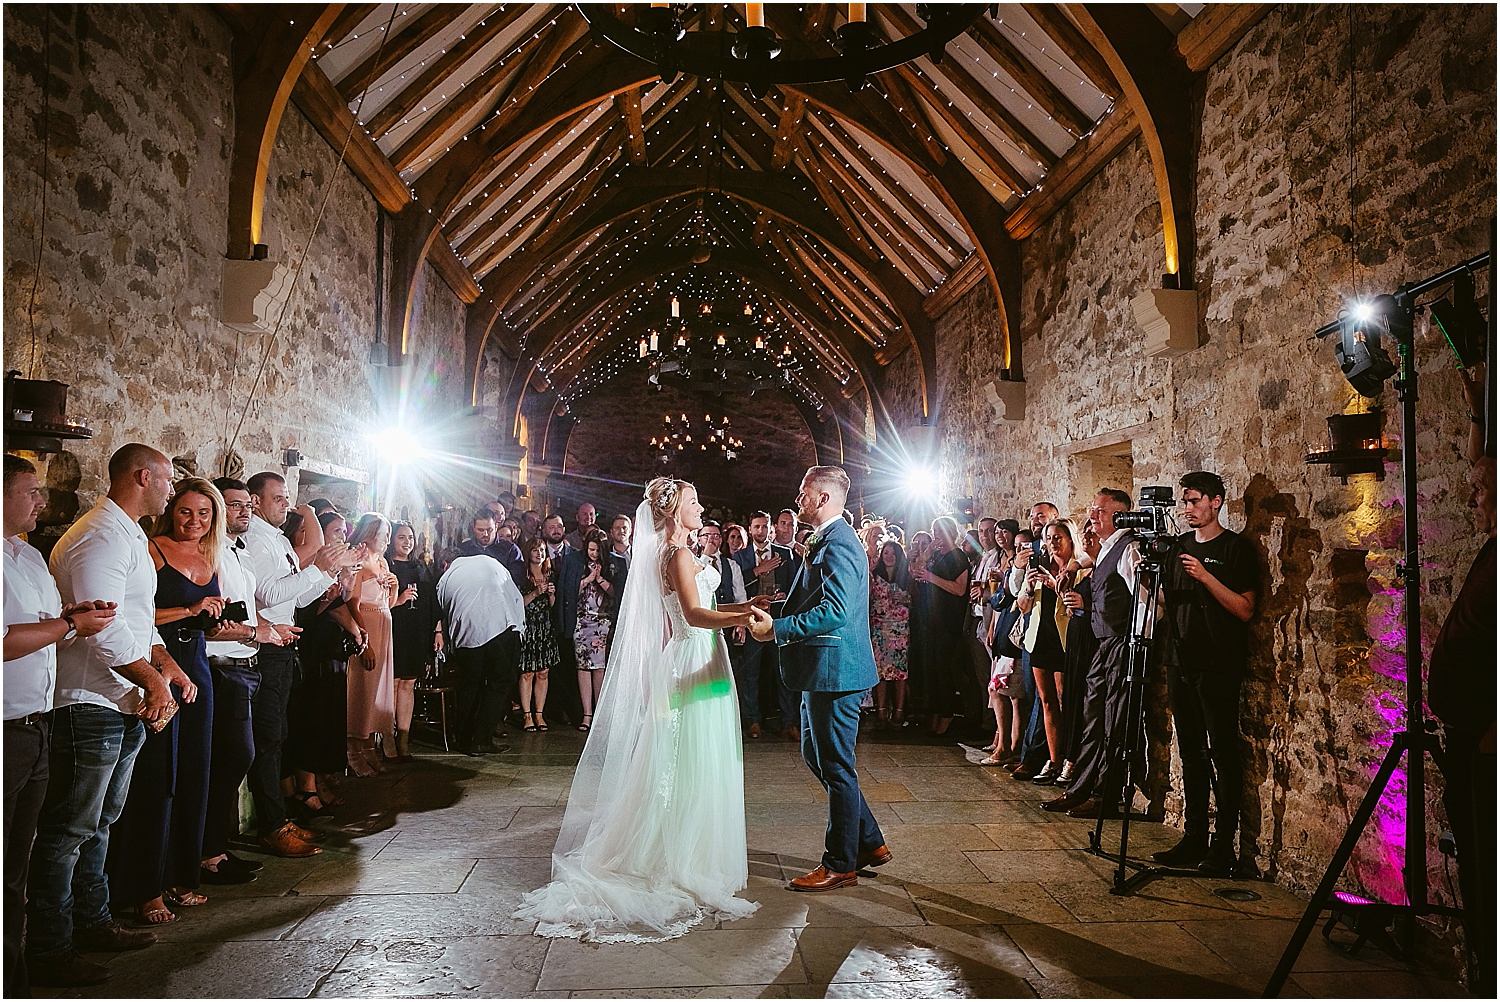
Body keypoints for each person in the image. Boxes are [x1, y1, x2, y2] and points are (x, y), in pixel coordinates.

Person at [516, 477, 769, 941]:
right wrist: (744, 616)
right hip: (692, 656)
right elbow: (691, 615)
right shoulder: (674, 555)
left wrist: (741, 603)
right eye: (694, 501)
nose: (701, 507)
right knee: (684, 756)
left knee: (701, 757)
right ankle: (675, 853)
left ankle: (694, 843)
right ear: (674, 513)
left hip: (703, 657)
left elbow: (702, 602)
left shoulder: (676, 553)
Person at [30, 444, 195, 987]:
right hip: (90, 702)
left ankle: (93, 920)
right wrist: (153, 683)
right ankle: (51, 948)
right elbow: (101, 627)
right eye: (168, 480)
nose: (173, 491)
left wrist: (167, 668)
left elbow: (138, 620)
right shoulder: (100, 535)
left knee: (100, 823)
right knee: (69, 829)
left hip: (122, 700)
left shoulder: (126, 534)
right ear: (142, 476)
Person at [3, 456, 116, 995]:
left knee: (15, 869)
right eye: (30, 491)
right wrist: (69, 623)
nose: (40, 501)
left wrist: (73, 616)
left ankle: (22, 970)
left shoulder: (26, 557)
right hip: (5, 728)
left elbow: (44, 628)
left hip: (37, 723)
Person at [751, 466, 888, 892]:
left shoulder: (840, 543)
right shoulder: (824, 539)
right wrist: (777, 608)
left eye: (803, 492)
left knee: (837, 766)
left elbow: (836, 611)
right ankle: (868, 841)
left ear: (824, 499)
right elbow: (814, 597)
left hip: (836, 670)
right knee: (817, 756)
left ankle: (840, 863)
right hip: (821, 669)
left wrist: (777, 630)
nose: (798, 499)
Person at [111, 479, 228, 926]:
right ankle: (145, 888)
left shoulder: (209, 556)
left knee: (195, 771)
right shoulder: (151, 549)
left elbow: (206, 619)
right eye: (185, 512)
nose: (194, 521)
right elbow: (136, 613)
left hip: (196, 664)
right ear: (171, 511)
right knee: (157, 774)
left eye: (203, 514)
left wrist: (217, 616)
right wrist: (189, 610)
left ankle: (182, 874)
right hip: (158, 661)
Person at [1152, 472, 1259, 875]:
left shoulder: (1236, 549)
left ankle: (1223, 846)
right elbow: (1167, 600)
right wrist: (1144, 581)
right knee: (1191, 751)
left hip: (1219, 664)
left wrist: (1206, 576)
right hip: (1180, 660)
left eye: (1195, 501)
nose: (1187, 509)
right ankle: (1194, 835)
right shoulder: (1177, 548)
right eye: (1185, 501)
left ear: (1216, 501)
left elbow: (1245, 609)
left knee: (1223, 754)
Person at [243, 472, 347, 856]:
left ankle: (279, 817)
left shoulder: (279, 540)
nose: (286, 504)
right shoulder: (255, 540)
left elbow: (297, 601)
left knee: (279, 734)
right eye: (278, 497)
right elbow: (268, 594)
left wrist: (327, 575)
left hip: (284, 645)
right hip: (266, 647)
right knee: (269, 738)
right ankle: (272, 824)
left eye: (287, 497)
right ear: (255, 501)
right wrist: (318, 569)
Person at [1428, 455, 1495, 996]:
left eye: (1482, 488)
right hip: (1469, 736)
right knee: (1474, 867)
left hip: (1485, 741)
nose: (1473, 498)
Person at [199, 477, 285, 887]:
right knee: (233, 758)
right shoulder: (209, 556)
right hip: (224, 667)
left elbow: (244, 608)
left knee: (237, 758)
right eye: (234, 505)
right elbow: (211, 625)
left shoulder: (236, 553)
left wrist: (268, 627)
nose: (244, 511)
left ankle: (213, 848)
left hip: (244, 665)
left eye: (246, 505)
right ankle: (208, 853)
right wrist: (255, 634)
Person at [1044, 489, 1151, 819]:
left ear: (1119, 514)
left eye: (1100, 511)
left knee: (1112, 723)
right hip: (1103, 644)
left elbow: (1146, 600)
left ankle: (1105, 794)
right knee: (1092, 718)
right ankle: (1079, 788)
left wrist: (1137, 641)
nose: (1093, 516)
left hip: (1121, 643)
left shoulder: (1129, 548)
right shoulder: (1106, 550)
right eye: (1093, 510)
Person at [1014, 518, 1085, 786]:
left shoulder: (1080, 568)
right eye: (1049, 537)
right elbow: (1021, 605)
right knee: (1046, 701)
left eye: (1058, 537)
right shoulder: (1038, 565)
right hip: (1040, 637)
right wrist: (1029, 588)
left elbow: (1075, 606)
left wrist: (1056, 584)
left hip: (1065, 639)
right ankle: (1053, 760)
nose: (1053, 543)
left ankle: (1070, 759)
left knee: (1065, 698)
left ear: (1069, 539)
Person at [437, 554, 523, 756]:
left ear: (446, 563)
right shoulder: (492, 562)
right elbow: (515, 597)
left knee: (469, 686)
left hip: (468, 635)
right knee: (498, 686)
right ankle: (482, 740)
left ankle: (464, 739)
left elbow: (441, 609)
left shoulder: (447, 577)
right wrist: (520, 631)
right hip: (502, 629)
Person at [734, 510, 798, 740]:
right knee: (751, 673)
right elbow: (736, 581)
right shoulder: (741, 557)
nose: (760, 531)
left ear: (771, 528)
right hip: (752, 619)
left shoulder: (784, 554)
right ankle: (753, 720)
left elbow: (794, 584)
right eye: (756, 527)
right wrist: (757, 571)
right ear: (750, 529)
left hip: (778, 619)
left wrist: (784, 595)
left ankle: (788, 722)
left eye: (764, 526)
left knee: (782, 672)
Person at [345, 514, 398, 774]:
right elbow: (352, 603)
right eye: (384, 534)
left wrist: (395, 588)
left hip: (383, 626)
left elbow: (387, 604)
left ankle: (369, 747)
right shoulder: (359, 563)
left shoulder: (383, 563)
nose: (388, 540)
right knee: (362, 691)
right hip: (366, 626)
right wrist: (364, 641)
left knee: (377, 691)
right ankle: (353, 749)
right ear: (369, 534)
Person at [912, 516, 971, 736]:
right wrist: (925, 555)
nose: (936, 534)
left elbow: (959, 589)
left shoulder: (958, 556)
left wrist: (931, 576)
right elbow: (916, 573)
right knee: (933, 670)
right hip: (931, 620)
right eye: (934, 530)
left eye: (940, 531)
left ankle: (948, 713)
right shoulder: (936, 555)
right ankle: (936, 711)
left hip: (949, 622)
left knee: (944, 669)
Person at [387, 521, 439, 762]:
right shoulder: (387, 566)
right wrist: (399, 598)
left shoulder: (420, 568)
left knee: (409, 683)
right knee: (393, 683)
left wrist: (437, 631)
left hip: (416, 630)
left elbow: (432, 601)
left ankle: (404, 738)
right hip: (394, 628)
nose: (407, 542)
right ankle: (388, 735)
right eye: (401, 538)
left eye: (410, 537)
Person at [571, 530, 617, 729]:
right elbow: (571, 589)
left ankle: (598, 713)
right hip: (582, 622)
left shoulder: (612, 565)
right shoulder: (577, 564)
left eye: (597, 550)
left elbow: (616, 592)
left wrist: (599, 579)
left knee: (599, 667)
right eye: (591, 549)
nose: (594, 554)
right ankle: (586, 714)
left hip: (602, 622)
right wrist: (589, 578)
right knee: (582, 666)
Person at [518, 537, 560, 733]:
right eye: (535, 550)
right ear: (529, 552)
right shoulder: (521, 575)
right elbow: (518, 605)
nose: (539, 553)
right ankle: (526, 715)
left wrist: (551, 595)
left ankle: (539, 714)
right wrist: (535, 593)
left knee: (543, 673)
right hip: (528, 628)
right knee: (527, 673)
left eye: (542, 550)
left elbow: (553, 607)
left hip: (545, 628)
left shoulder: (550, 574)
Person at [870, 540, 911, 728]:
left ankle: (899, 711)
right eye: (885, 553)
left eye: (892, 553)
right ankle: (881, 710)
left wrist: (905, 597)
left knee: (900, 671)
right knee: (880, 670)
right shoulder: (873, 575)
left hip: (900, 627)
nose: (889, 556)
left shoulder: (906, 575)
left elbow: (918, 598)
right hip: (879, 626)